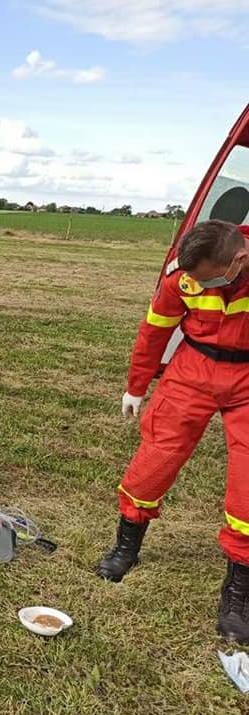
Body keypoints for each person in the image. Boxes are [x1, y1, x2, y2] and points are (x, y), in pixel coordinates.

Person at [95, 219, 249, 641]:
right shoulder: (181, 278)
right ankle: (127, 545)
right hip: (192, 370)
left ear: (239, 259)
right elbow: (154, 331)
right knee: (154, 462)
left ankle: (239, 593)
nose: (205, 285)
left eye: (212, 278)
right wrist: (136, 386)